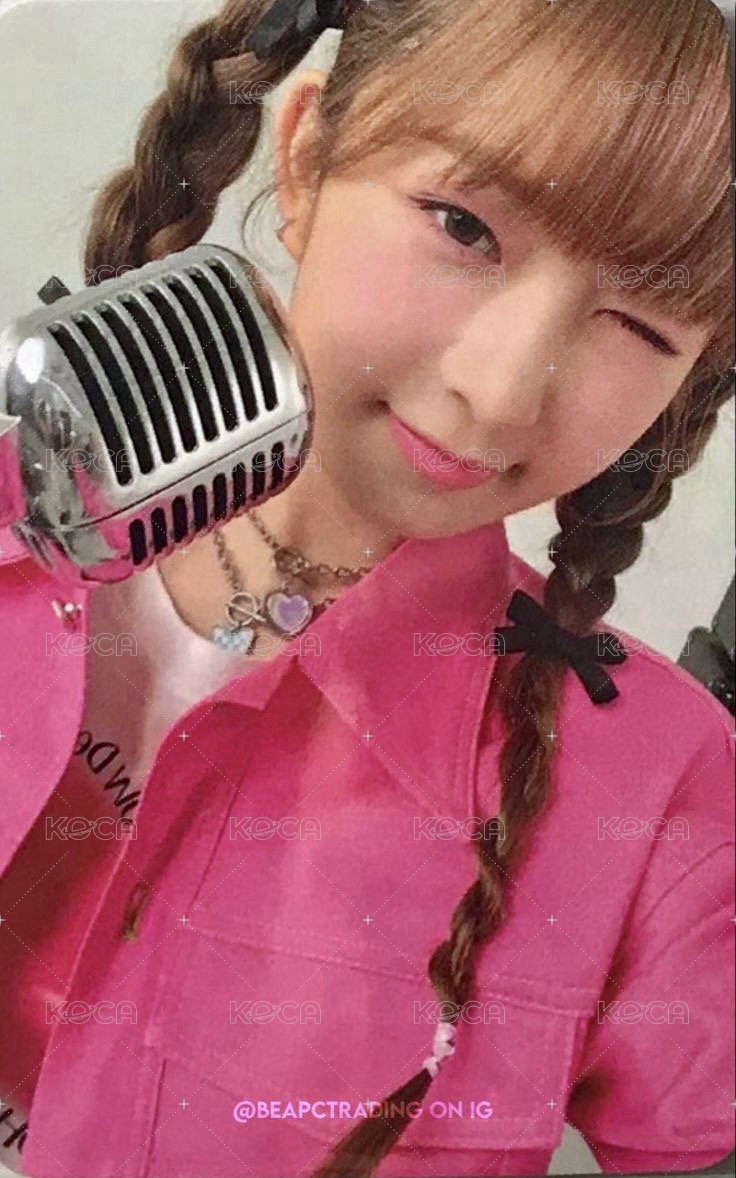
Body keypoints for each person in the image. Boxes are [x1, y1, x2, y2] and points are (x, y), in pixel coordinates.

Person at [0, 0, 733, 1175]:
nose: (500, 391)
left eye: (638, 327)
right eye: (463, 226)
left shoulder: (666, 793)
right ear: (304, 160)